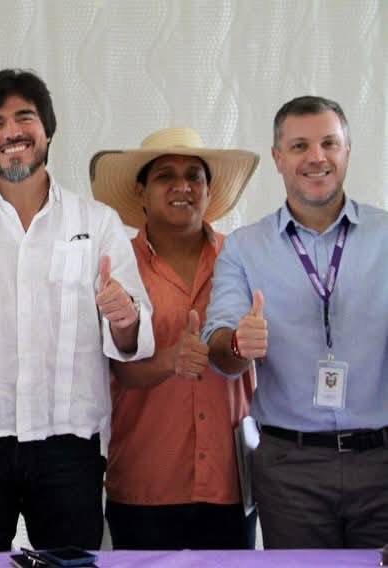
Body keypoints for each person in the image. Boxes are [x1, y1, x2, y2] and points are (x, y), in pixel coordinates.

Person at [0, 68, 154, 555]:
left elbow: (135, 340)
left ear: (48, 130)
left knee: (71, 567)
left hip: (70, 441)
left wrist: (124, 317)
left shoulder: (98, 221)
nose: (11, 132)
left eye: (24, 117)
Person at [203, 95, 388, 548]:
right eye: (300, 146)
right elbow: (219, 350)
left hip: (382, 462)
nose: (316, 157)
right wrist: (238, 344)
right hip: (290, 469)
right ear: (278, 158)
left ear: (347, 150)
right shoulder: (244, 248)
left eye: (329, 143)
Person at [90, 127, 259, 549]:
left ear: (208, 190)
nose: (182, 186)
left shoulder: (242, 258)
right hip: (146, 477)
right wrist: (170, 359)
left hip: (230, 480)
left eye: (194, 176)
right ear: (142, 192)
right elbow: (111, 368)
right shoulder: (115, 266)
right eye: (165, 175)